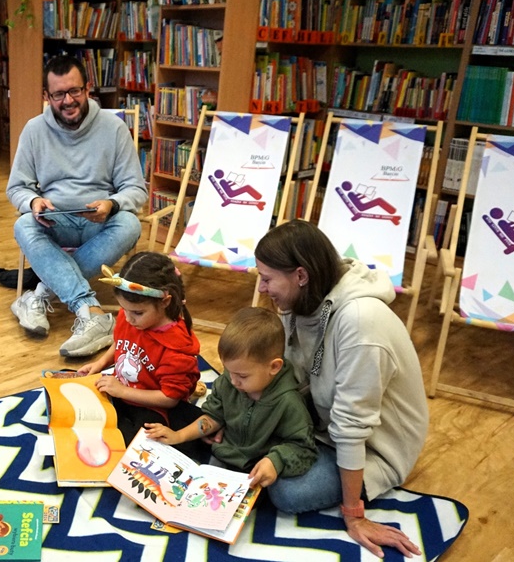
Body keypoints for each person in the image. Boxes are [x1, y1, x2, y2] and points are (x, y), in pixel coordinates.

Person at [253, 220, 429, 559]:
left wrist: (354, 515)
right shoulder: (301, 301)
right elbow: (291, 373)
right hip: (318, 420)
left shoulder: (361, 322)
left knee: (287, 493)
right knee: (236, 431)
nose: (262, 288)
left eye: (267, 278)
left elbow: (352, 426)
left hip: (374, 448)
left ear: (300, 276)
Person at [6, 54, 147, 357]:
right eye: (59, 94)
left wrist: (112, 203)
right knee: (23, 224)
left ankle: (41, 294)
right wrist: (33, 201)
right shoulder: (33, 130)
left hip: (101, 223)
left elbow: (136, 189)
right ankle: (90, 311)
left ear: (88, 89)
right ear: (47, 96)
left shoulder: (114, 128)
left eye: (75, 91)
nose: (68, 100)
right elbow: (17, 187)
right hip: (56, 220)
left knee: (130, 224)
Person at [145, 306, 317, 489]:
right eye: (228, 371)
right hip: (222, 450)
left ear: (274, 367)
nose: (233, 381)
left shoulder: (289, 402)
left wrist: (275, 461)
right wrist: (178, 436)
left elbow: (304, 448)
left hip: (253, 467)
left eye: (242, 376)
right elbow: (213, 415)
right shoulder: (230, 380)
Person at [77, 252, 205, 460]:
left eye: (137, 313)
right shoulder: (131, 317)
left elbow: (169, 398)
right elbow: (120, 343)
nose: (127, 318)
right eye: (123, 309)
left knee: (133, 450)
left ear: (165, 302)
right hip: (123, 390)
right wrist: (100, 363)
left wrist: (121, 391)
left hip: (155, 406)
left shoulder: (177, 348)